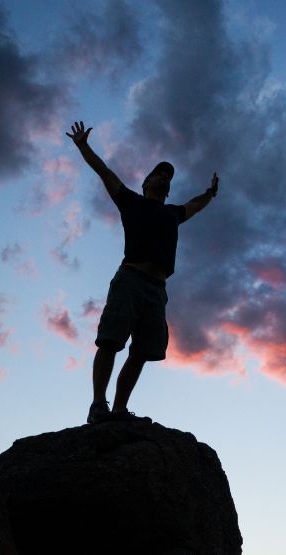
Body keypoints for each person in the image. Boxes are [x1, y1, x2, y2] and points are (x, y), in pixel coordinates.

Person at [65, 121, 219, 423]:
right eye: (159, 173)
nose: (164, 177)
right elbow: (105, 173)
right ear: (146, 183)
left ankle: (120, 410)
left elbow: (195, 205)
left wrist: (210, 194)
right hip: (131, 279)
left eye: (168, 176)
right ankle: (99, 405)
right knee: (111, 340)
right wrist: (84, 147)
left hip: (157, 291)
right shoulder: (131, 201)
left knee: (142, 352)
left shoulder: (173, 213)